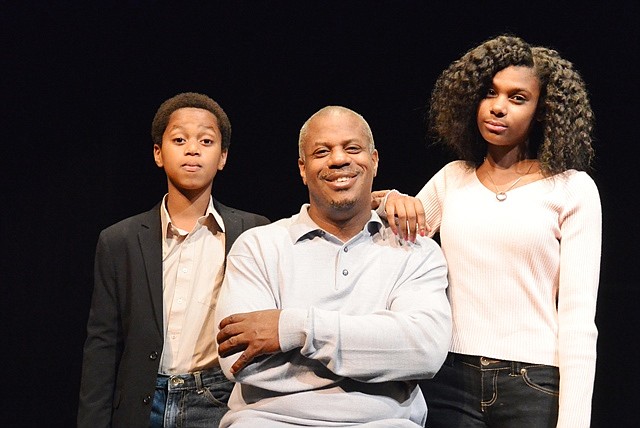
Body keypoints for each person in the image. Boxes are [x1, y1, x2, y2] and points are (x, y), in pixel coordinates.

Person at [374, 35, 601, 427]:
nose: (498, 108)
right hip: (449, 378)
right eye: (490, 93)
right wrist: (389, 200)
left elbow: (580, 320)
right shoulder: (452, 180)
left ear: (542, 111)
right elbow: (384, 246)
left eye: (517, 98)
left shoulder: (572, 188)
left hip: (534, 383)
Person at [213, 106, 452, 427]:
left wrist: (293, 329)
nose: (338, 159)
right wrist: (376, 354)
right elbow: (238, 361)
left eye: (352, 148)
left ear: (375, 160)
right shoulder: (257, 247)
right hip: (269, 421)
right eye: (322, 151)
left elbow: (423, 352)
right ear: (302, 168)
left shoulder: (416, 249)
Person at [77, 92, 270, 428]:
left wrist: (383, 201)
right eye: (179, 139)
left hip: (219, 401)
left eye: (206, 141)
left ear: (222, 156)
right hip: (143, 403)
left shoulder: (254, 232)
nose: (192, 149)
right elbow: (103, 345)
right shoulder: (118, 240)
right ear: (158, 153)